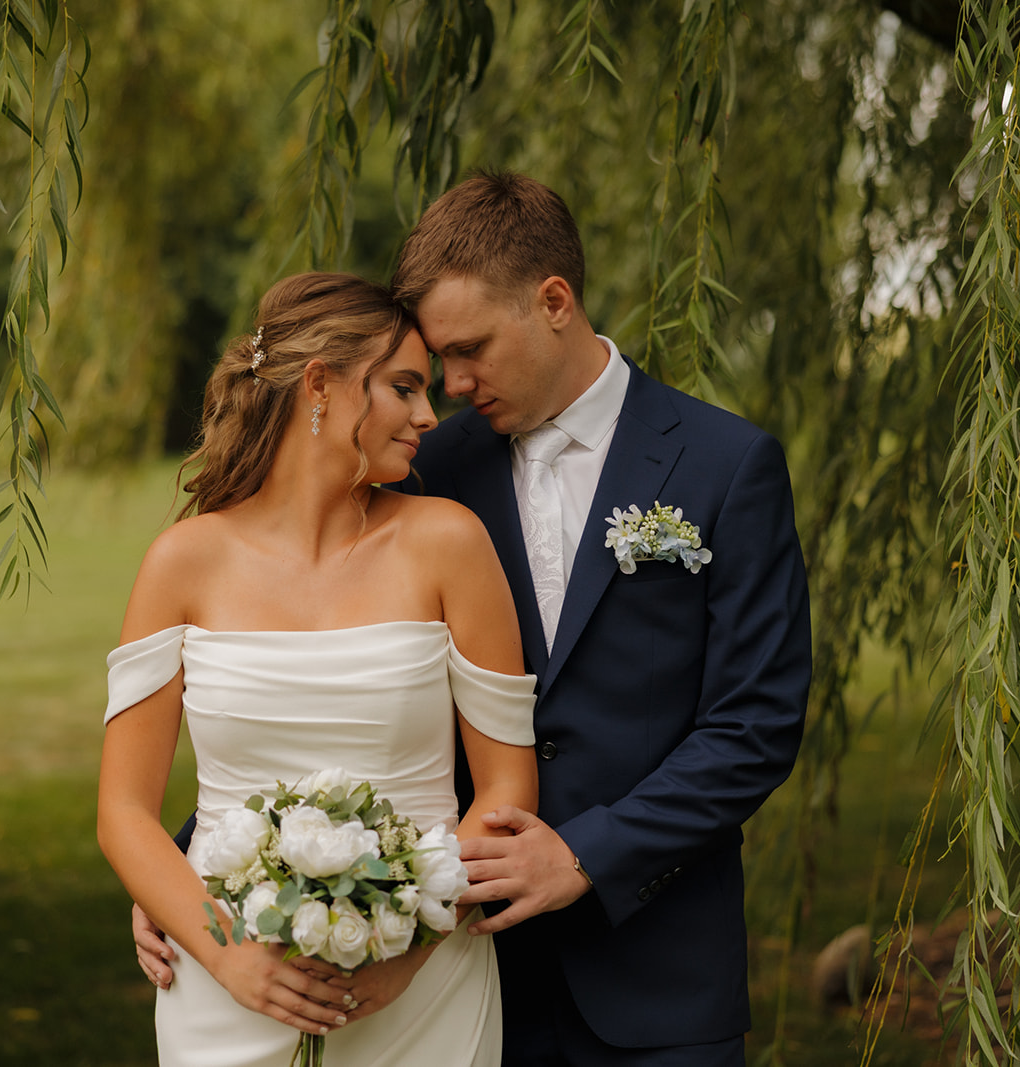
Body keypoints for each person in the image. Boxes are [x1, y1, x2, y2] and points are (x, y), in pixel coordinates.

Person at [137, 173, 810, 1065]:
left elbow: (753, 727)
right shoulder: (427, 471)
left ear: (554, 301)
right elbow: (332, 662)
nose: (451, 385)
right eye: (434, 364)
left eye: (471, 350)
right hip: (450, 960)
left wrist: (582, 855)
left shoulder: (726, 467)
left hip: (657, 973)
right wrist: (190, 870)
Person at [98, 272, 539, 1067]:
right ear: (320, 385)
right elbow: (124, 811)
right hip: (228, 978)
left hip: (425, 985)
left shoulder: (450, 543)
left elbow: (507, 789)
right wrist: (230, 955)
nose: (429, 415)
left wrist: (411, 948)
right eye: (404, 387)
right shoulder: (182, 563)